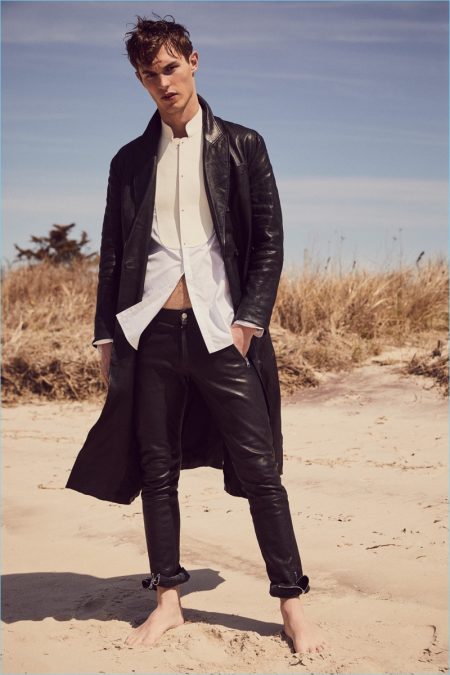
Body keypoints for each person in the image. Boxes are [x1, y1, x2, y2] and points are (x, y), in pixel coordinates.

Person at [66, 15, 326, 654]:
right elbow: (112, 253)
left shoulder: (242, 144)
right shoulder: (130, 160)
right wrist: (106, 336)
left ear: (193, 61)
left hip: (221, 333)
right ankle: (168, 602)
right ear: (139, 80)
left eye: (171, 67)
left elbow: (269, 240)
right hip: (149, 331)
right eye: (149, 74)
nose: (164, 82)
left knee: (262, 471)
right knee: (157, 471)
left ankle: (292, 604)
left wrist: (248, 322)